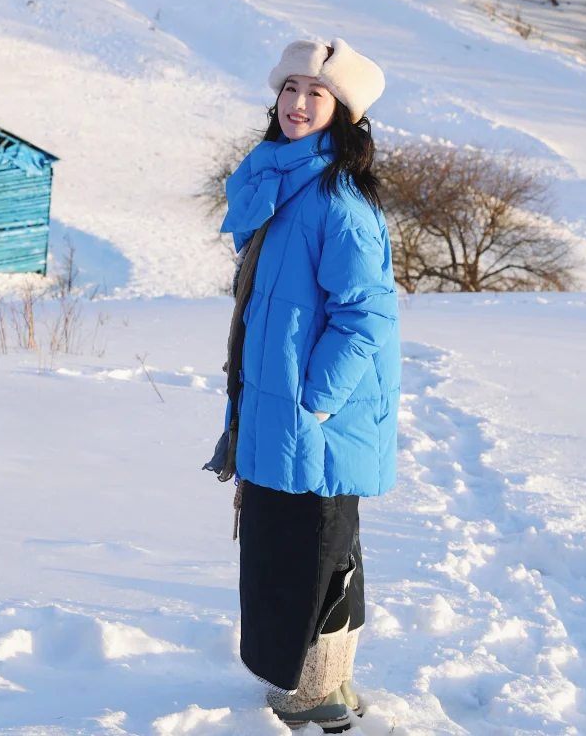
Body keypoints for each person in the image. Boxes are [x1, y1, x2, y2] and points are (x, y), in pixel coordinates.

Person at [206, 38, 400, 732]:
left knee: (311, 553)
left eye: (315, 94)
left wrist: (314, 401)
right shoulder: (280, 181)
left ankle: (317, 694)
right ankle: (330, 686)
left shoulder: (336, 200)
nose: (297, 104)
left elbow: (366, 316)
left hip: (314, 416)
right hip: (278, 406)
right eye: (289, 89)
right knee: (315, 548)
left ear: (341, 112)